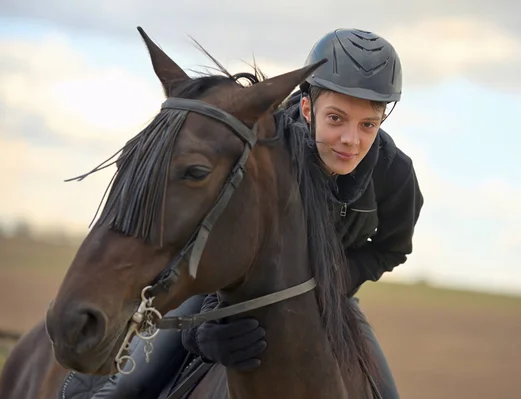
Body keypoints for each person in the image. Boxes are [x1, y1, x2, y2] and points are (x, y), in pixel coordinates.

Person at [91, 28, 423, 399]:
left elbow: (392, 249)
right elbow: (212, 236)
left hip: (331, 298)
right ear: (309, 107)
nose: (351, 140)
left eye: (368, 125)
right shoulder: (266, 152)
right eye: (336, 119)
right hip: (224, 288)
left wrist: (332, 281)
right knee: (129, 389)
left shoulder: (395, 174)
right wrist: (196, 335)